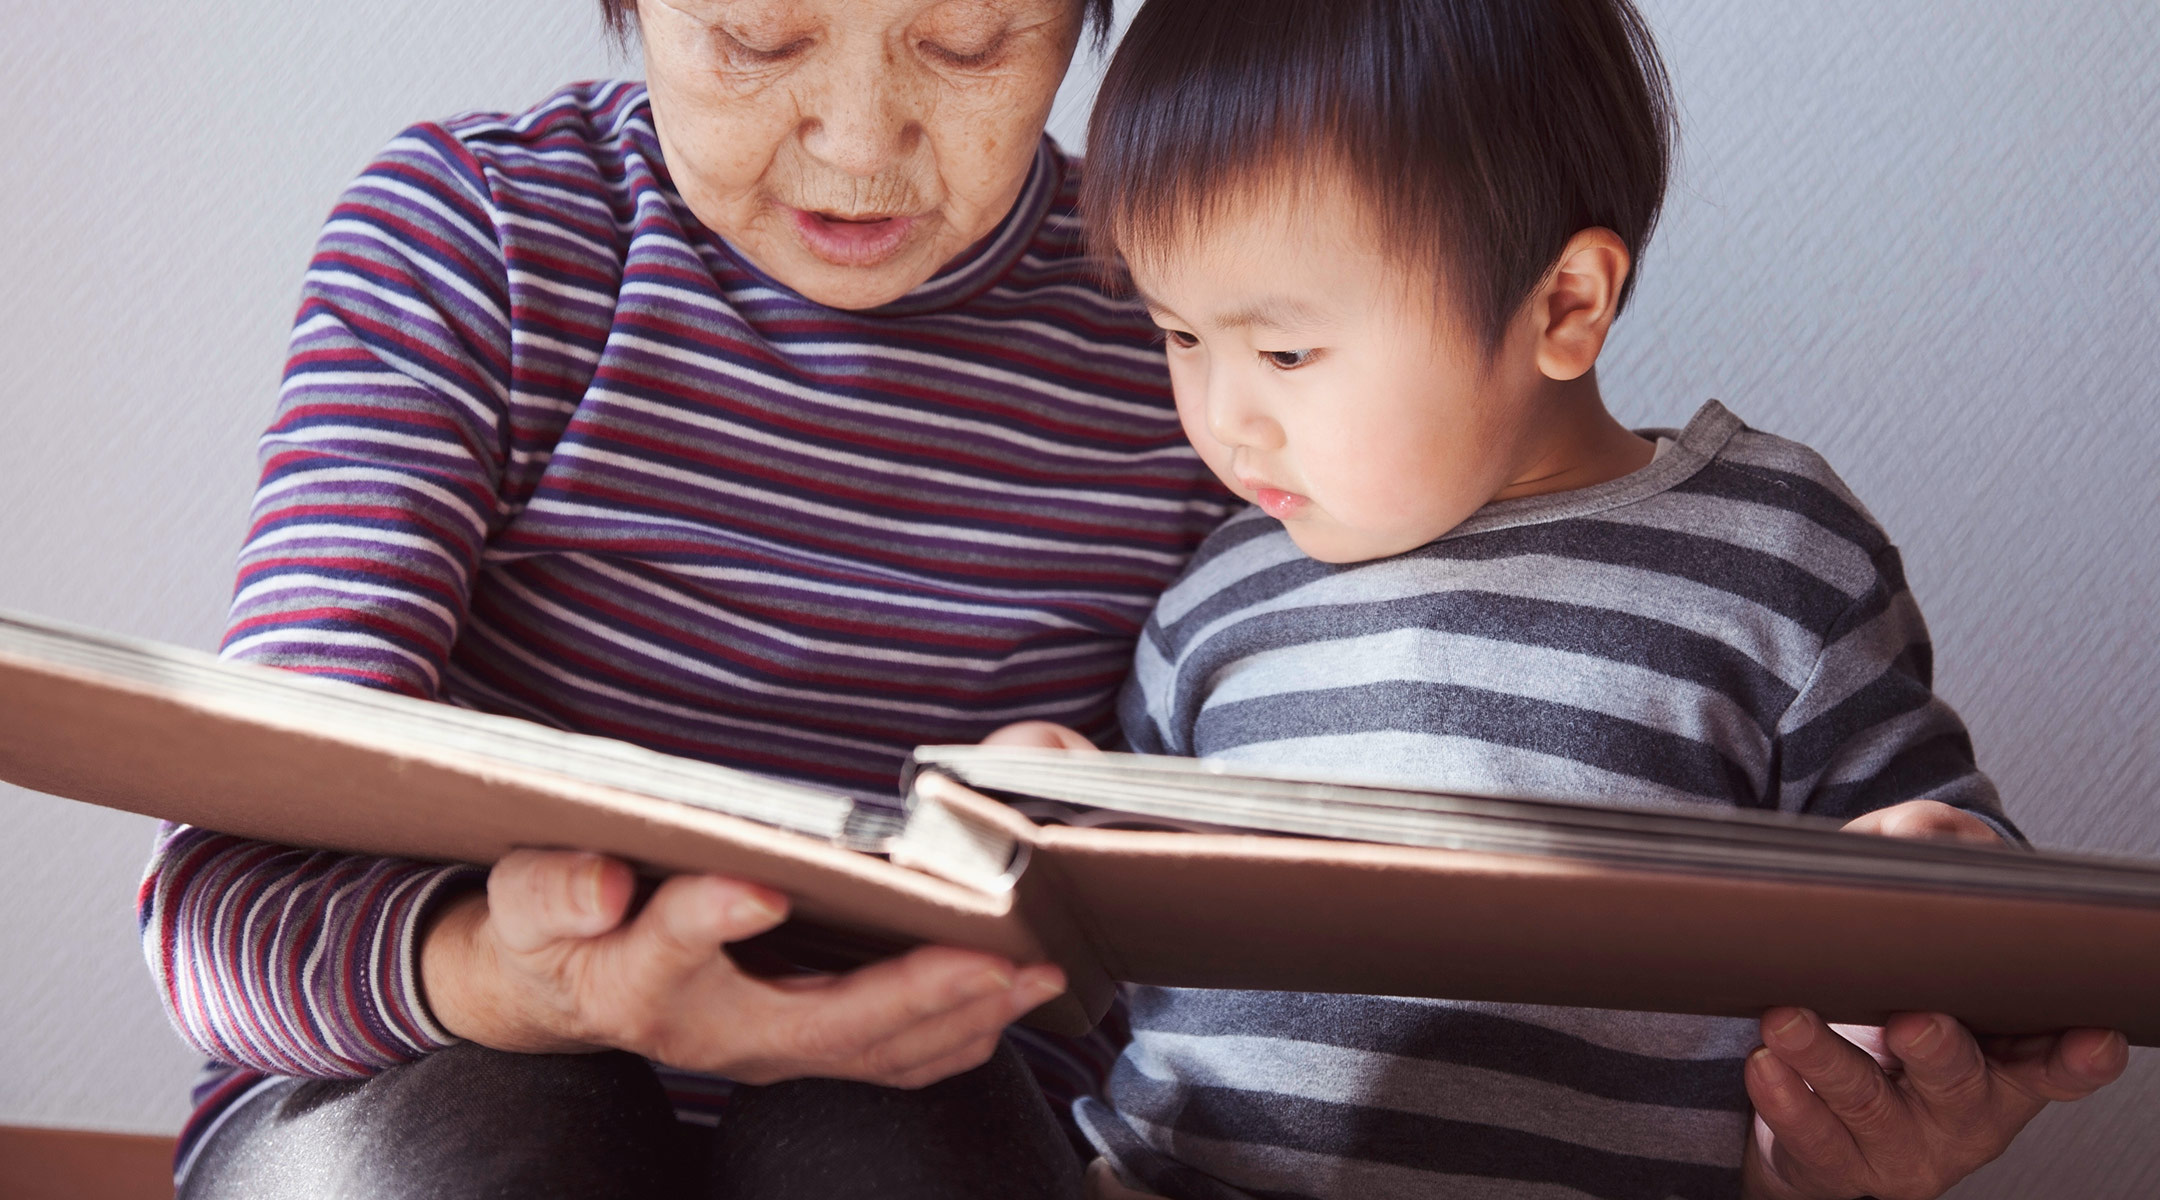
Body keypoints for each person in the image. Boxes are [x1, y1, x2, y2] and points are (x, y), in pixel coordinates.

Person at [985, 0, 2132, 1196]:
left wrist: (1936, 892)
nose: (1224, 417)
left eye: (1282, 353)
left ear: (1563, 306)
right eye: (1178, 335)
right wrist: (1054, 806)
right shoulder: (1217, 591)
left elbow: (1954, 865)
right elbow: (1123, 919)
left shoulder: (1768, 556)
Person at [140, 1, 1233, 1197]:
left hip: (946, 1100)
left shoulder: (1198, 329)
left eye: (967, 44)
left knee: (898, 1142)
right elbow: (223, 913)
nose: (861, 145)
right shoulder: (483, 235)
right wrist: (510, 982)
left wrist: (1096, 825)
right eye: (757, 40)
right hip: (434, 1073)